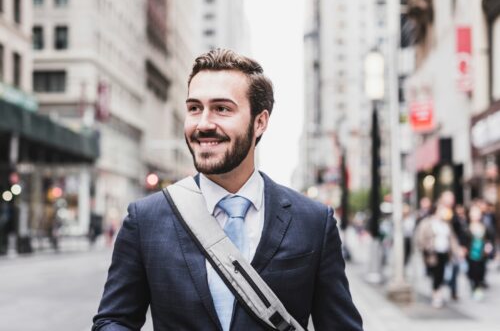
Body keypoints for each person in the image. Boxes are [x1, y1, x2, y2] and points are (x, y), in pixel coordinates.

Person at [93, 49, 363, 331]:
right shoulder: (144, 219)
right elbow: (113, 321)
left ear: (260, 122)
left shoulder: (313, 222)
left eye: (222, 109)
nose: (204, 124)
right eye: (195, 108)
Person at [415, 203, 460, 308]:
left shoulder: (446, 224)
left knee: (442, 274)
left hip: (444, 252)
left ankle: (437, 293)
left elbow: (451, 238)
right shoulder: (427, 223)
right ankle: (436, 295)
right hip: (433, 253)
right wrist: (426, 247)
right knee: (436, 274)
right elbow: (420, 237)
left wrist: (456, 251)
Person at [464, 203, 494, 301]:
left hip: (481, 254)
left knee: (481, 271)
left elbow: (490, 239)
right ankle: (475, 287)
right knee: (472, 272)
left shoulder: (484, 227)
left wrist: (489, 246)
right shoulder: (466, 227)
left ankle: (478, 287)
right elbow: (463, 240)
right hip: (471, 254)